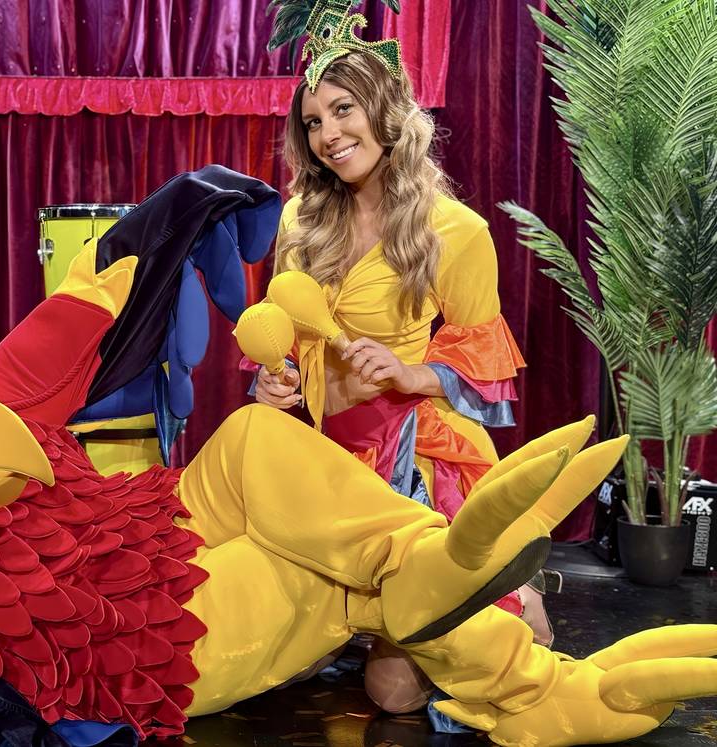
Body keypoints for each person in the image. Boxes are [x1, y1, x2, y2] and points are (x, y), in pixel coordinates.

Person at [253, 42, 552, 716]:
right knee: (274, 660)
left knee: (392, 696)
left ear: (384, 109)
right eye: (313, 122)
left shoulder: (456, 230)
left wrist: (410, 372)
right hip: (319, 458)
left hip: (406, 461)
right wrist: (276, 382)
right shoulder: (300, 218)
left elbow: (487, 375)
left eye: (343, 110)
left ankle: (519, 597)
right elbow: (282, 333)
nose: (328, 135)